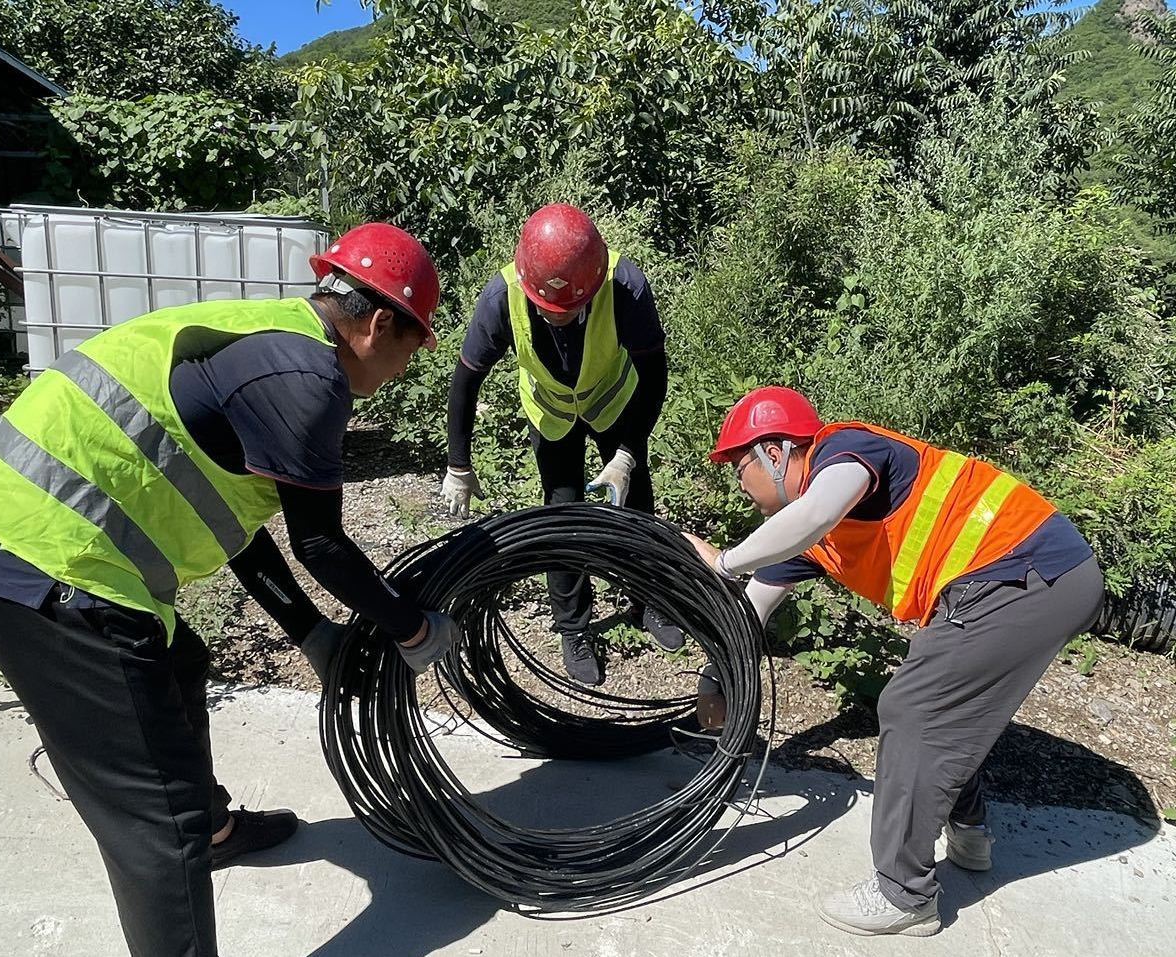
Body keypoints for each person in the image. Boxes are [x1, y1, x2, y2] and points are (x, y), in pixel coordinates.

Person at [0, 223, 464, 957]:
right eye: (411, 349)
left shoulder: (271, 340)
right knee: (155, 819)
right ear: (379, 324)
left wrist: (312, 634)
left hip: (3, 529)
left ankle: (215, 830)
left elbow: (232, 517)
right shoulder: (310, 382)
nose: (405, 368)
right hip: (34, 560)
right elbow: (322, 545)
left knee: (177, 661)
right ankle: (191, 834)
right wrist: (414, 629)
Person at [685, 386, 1104, 939]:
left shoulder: (845, 451)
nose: (739, 484)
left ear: (777, 451)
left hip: (1026, 570)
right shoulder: (811, 538)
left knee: (913, 707)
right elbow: (749, 612)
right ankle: (971, 832)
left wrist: (727, 561)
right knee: (946, 704)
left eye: (739, 466)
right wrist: (714, 677)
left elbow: (813, 512)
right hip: (1012, 582)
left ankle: (904, 895)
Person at [440, 203, 678, 685]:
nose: (560, 320)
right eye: (550, 312)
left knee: (636, 504)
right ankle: (574, 628)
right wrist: (459, 465)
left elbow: (654, 375)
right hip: (551, 413)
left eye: (570, 310)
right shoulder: (500, 297)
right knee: (563, 513)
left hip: (613, 403)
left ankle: (651, 599)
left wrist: (628, 454)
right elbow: (466, 380)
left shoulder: (625, 286)